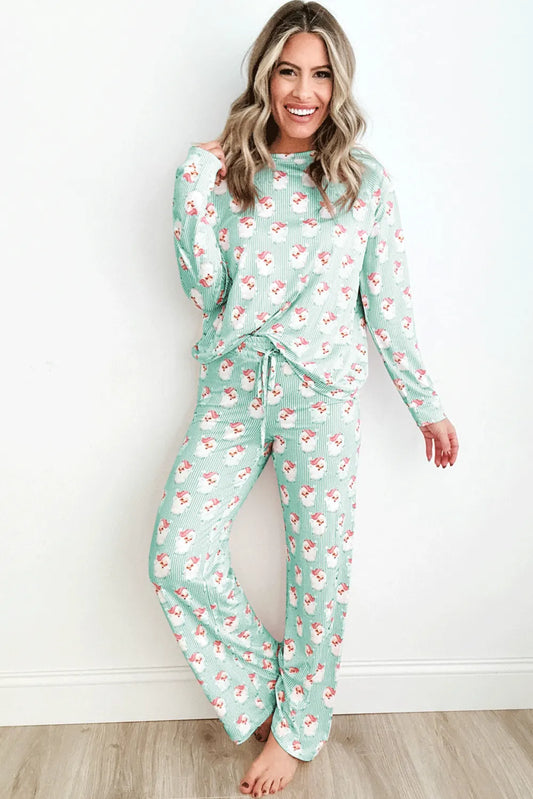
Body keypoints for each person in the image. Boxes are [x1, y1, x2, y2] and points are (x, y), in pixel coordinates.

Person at [148, 1, 459, 796]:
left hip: (319, 395)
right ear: (265, 77)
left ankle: (297, 728)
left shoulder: (362, 182)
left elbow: (386, 305)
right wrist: (193, 183)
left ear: (336, 84)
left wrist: (424, 402)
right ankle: (268, 695)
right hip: (232, 388)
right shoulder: (229, 173)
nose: (303, 90)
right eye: (288, 71)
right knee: (176, 554)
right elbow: (205, 289)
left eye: (319, 74)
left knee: (319, 568)